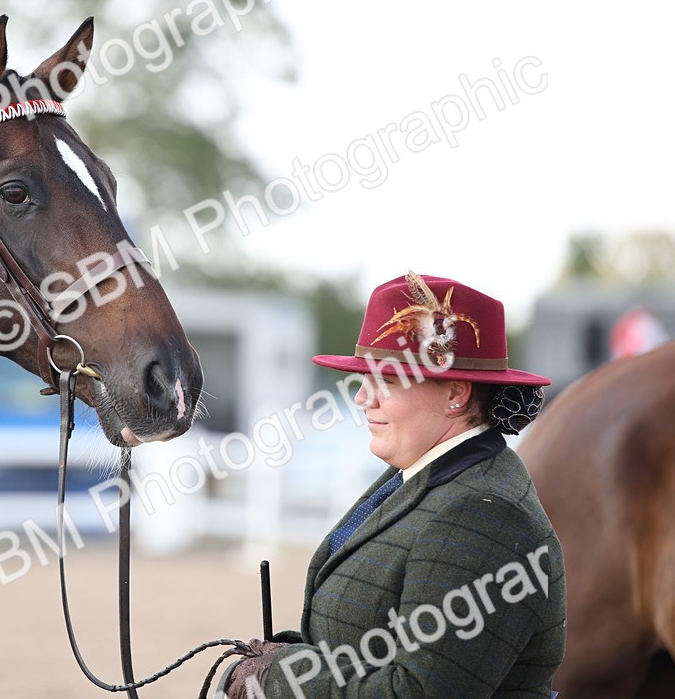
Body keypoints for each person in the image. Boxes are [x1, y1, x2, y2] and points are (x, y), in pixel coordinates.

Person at [221, 271, 566, 699]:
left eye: (386, 380)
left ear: (455, 395)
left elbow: (418, 691)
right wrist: (288, 655)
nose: (364, 398)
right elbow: (378, 640)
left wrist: (281, 676)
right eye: (365, 380)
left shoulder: (484, 514)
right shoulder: (423, 474)